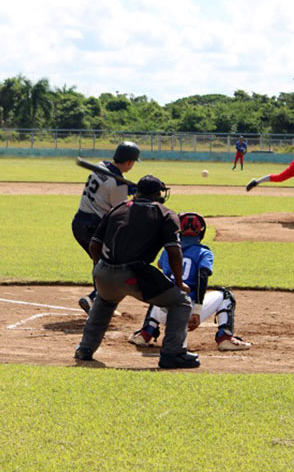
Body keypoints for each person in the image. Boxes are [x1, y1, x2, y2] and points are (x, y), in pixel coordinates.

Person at [74, 175, 200, 369]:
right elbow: (174, 250)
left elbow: (94, 245)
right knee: (180, 302)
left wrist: (100, 266)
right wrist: (179, 282)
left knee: (105, 301)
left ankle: (85, 349)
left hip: (104, 273)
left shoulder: (117, 208)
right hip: (135, 273)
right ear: (158, 194)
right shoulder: (165, 213)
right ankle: (173, 354)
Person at [128, 212, 251, 351]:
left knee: (161, 289)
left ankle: (145, 333)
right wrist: (197, 311)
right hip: (188, 313)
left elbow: (161, 269)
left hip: (164, 312)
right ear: (201, 231)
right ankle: (225, 338)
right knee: (226, 295)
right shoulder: (204, 252)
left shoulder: (168, 250)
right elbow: (202, 277)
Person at [72, 142, 140, 313]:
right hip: (94, 227)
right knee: (110, 265)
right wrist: (134, 194)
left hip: (79, 223)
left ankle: (98, 301)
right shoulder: (118, 184)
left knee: (100, 263)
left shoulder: (101, 166)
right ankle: (93, 298)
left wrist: (128, 189)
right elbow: (120, 211)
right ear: (130, 162)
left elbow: (109, 186)